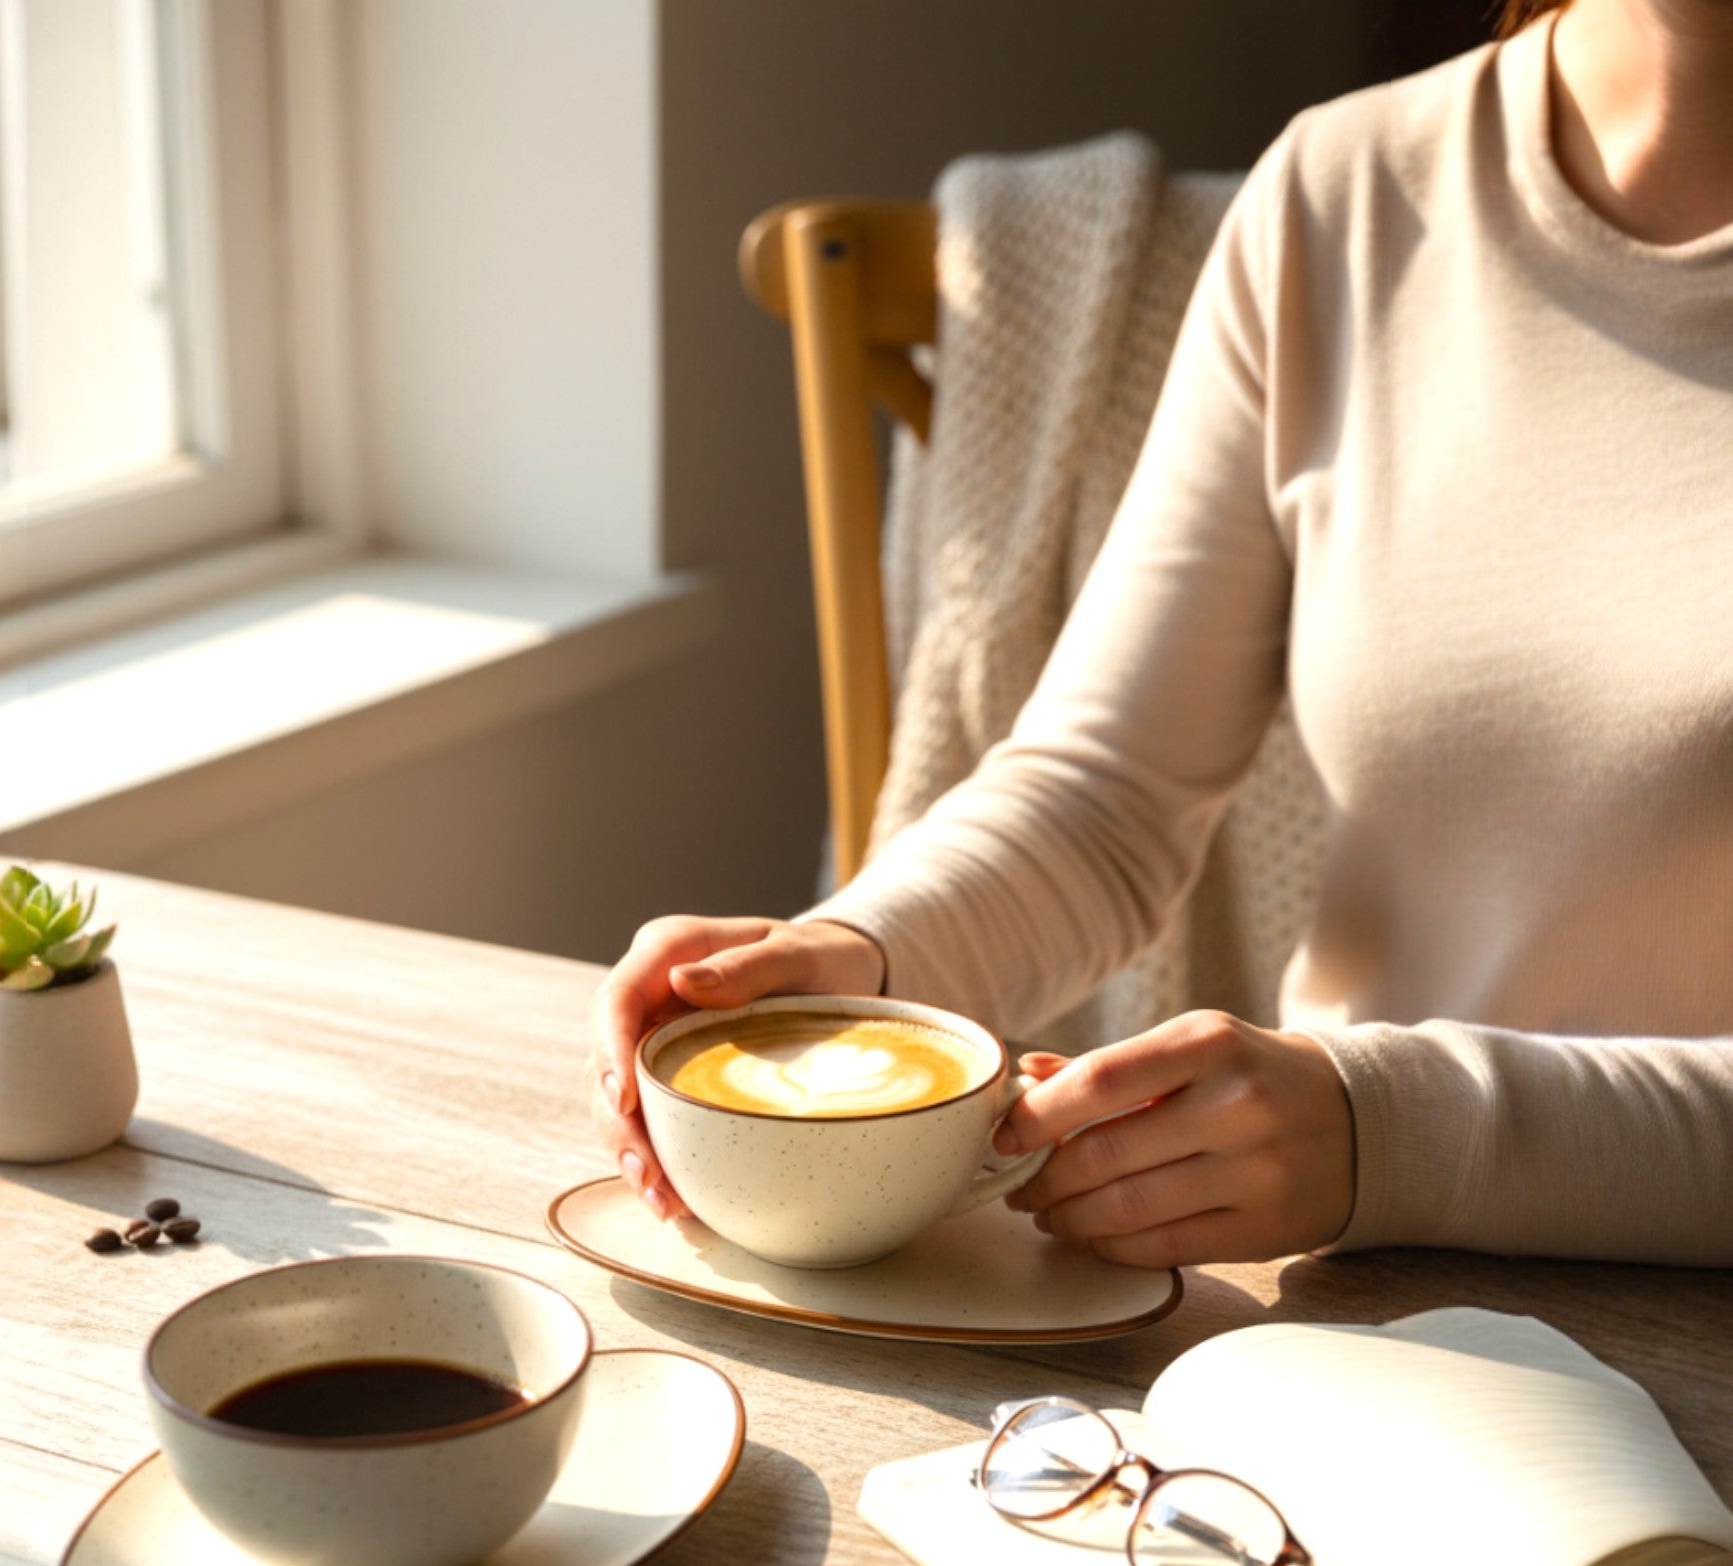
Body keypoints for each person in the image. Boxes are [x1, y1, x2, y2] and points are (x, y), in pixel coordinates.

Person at [590, 0, 1733, 1271]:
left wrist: (1394, 1135)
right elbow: (1103, 795)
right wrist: (850, 954)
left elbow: (1392, 1135)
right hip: (1353, 1319)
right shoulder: (1344, 193)